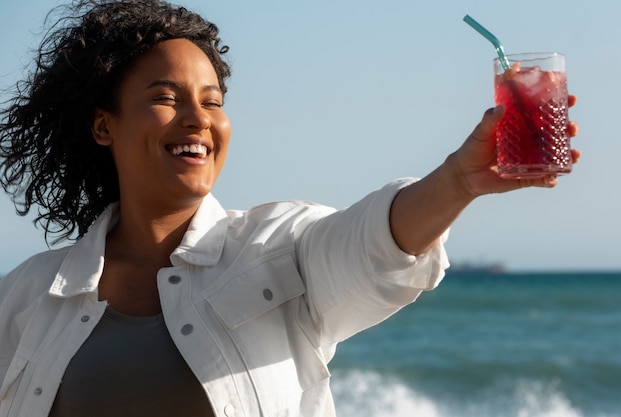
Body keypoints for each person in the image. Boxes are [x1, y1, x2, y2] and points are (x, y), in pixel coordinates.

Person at [0, 0, 580, 416]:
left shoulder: (277, 247)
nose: (198, 117)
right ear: (105, 125)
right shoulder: (26, 296)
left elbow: (370, 245)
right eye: (164, 98)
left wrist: (457, 181)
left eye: (212, 101)